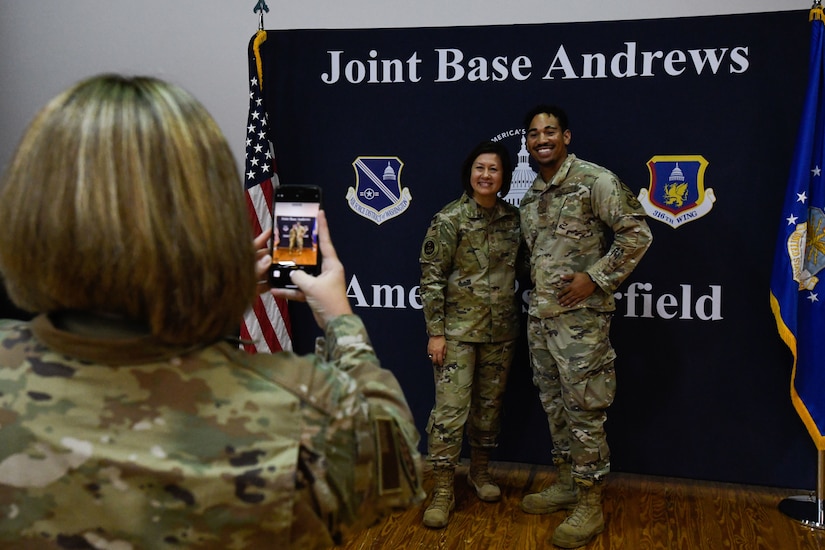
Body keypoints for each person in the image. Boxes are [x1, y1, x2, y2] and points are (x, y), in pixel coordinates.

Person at [0, 74, 424, 550]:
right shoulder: (305, 408)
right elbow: (399, 467)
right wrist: (341, 322)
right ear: (211, 214)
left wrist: (211, 298)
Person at [518, 104, 652, 548]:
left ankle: (591, 504)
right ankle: (567, 483)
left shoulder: (595, 181)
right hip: (542, 322)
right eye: (535, 134)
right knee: (555, 407)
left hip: (581, 326)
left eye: (550, 132)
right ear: (528, 142)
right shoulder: (532, 197)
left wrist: (594, 278)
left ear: (566, 137)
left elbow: (637, 233)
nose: (542, 140)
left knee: (584, 411)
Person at [418, 140, 521, 528]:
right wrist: (436, 333)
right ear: (469, 173)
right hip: (457, 335)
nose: (486, 175)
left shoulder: (513, 220)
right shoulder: (450, 219)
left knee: (489, 409)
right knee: (449, 414)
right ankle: (443, 489)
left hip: (501, 334)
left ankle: (480, 472)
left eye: (493, 169)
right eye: (480, 168)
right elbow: (431, 279)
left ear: (504, 177)